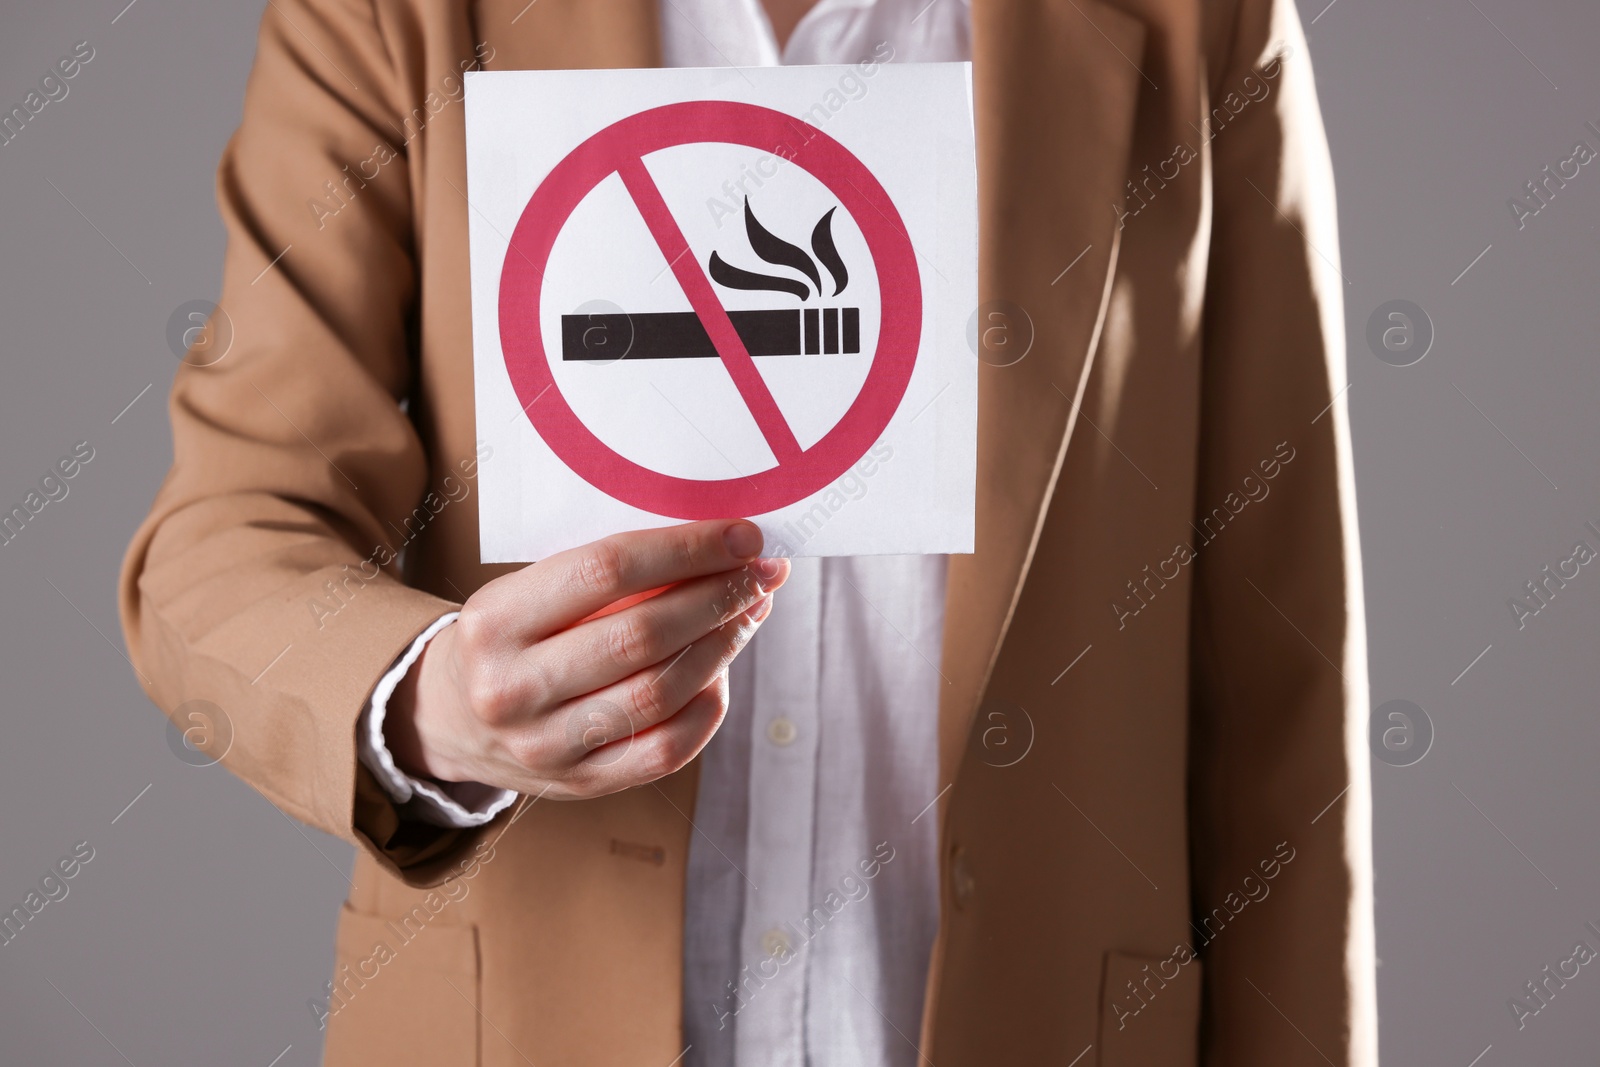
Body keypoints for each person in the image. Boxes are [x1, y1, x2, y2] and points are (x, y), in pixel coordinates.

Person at [119, 0, 1377, 1064]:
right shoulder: (399, 13)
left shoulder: (1201, 21)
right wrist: (435, 704)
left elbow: (1278, 676)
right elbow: (227, 531)